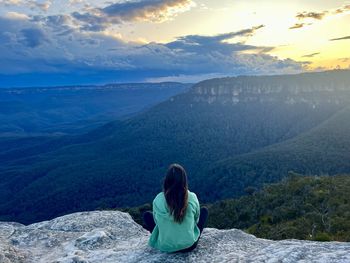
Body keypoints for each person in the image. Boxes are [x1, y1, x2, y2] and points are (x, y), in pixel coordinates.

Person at [142, 163, 208, 253]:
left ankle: (167, 238)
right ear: (184, 180)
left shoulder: (158, 199)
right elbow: (196, 220)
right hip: (189, 245)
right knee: (204, 210)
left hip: (165, 246)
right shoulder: (192, 197)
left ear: (166, 180)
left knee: (147, 215)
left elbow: (157, 222)